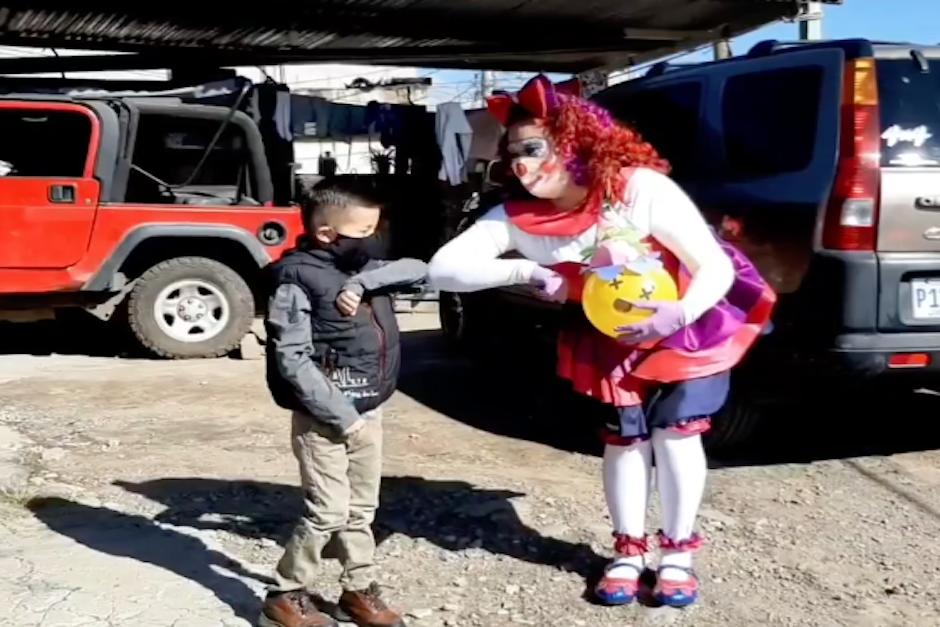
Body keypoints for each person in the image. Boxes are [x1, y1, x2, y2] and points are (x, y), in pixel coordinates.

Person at [428, 75, 774, 609]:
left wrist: (677, 313)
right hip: (607, 334)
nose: (520, 163)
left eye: (533, 147)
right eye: (512, 152)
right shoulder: (518, 218)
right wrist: (521, 273)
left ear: (577, 140)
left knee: (677, 436)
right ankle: (628, 551)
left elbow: (712, 266)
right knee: (624, 441)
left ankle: (677, 554)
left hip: (685, 325)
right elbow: (444, 269)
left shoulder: (639, 188)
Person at [261, 183, 426, 627]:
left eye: (377, 228)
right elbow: (291, 358)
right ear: (326, 234)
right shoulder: (295, 278)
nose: (373, 238)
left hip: (369, 409)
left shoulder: (363, 266)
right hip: (325, 418)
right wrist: (343, 418)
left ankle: (357, 589)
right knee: (327, 512)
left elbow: (419, 268)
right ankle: (285, 593)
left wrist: (363, 280)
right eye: (364, 231)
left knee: (361, 510)